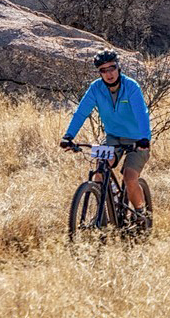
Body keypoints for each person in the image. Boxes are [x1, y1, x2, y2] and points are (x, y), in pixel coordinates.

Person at [60, 49, 151, 223]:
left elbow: (141, 114)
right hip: (113, 137)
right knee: (100, 172)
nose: (109, 73)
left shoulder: (131, 86)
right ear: (99, 73)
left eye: (112, 68)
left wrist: (144, 138)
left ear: (119, 67)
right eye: (103, 70)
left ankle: (141, 214)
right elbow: (81, 112)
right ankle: (105, 215)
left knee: (130, 178)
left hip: (137, 139)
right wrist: (68, 136)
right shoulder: (96, 88)